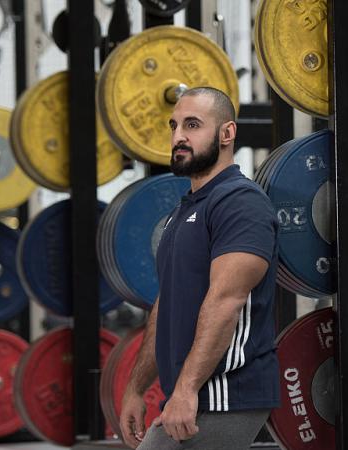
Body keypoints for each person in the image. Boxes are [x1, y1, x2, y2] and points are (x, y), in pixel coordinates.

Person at [118, 87, 280, 450]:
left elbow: (227, 300)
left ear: (227, 133)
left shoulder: (241, 203)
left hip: (226, 394)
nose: (178, 137)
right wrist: (136, 388)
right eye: (174, 125)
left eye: (192, 125)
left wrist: (187, 389)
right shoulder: (186, 209)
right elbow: (168, 303)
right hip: (192, 395)